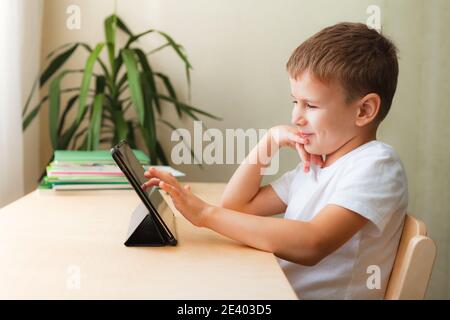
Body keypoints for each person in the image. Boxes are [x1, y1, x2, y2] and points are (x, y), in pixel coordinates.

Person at [142, 22, 408, 300]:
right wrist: (269, 141)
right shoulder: (315, 164)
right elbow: (236, 208)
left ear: (364, 110)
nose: (296, 117)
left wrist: (206, 215)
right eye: (295, 102)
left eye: (311, 105)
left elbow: (313, 243)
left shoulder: (377, 165)